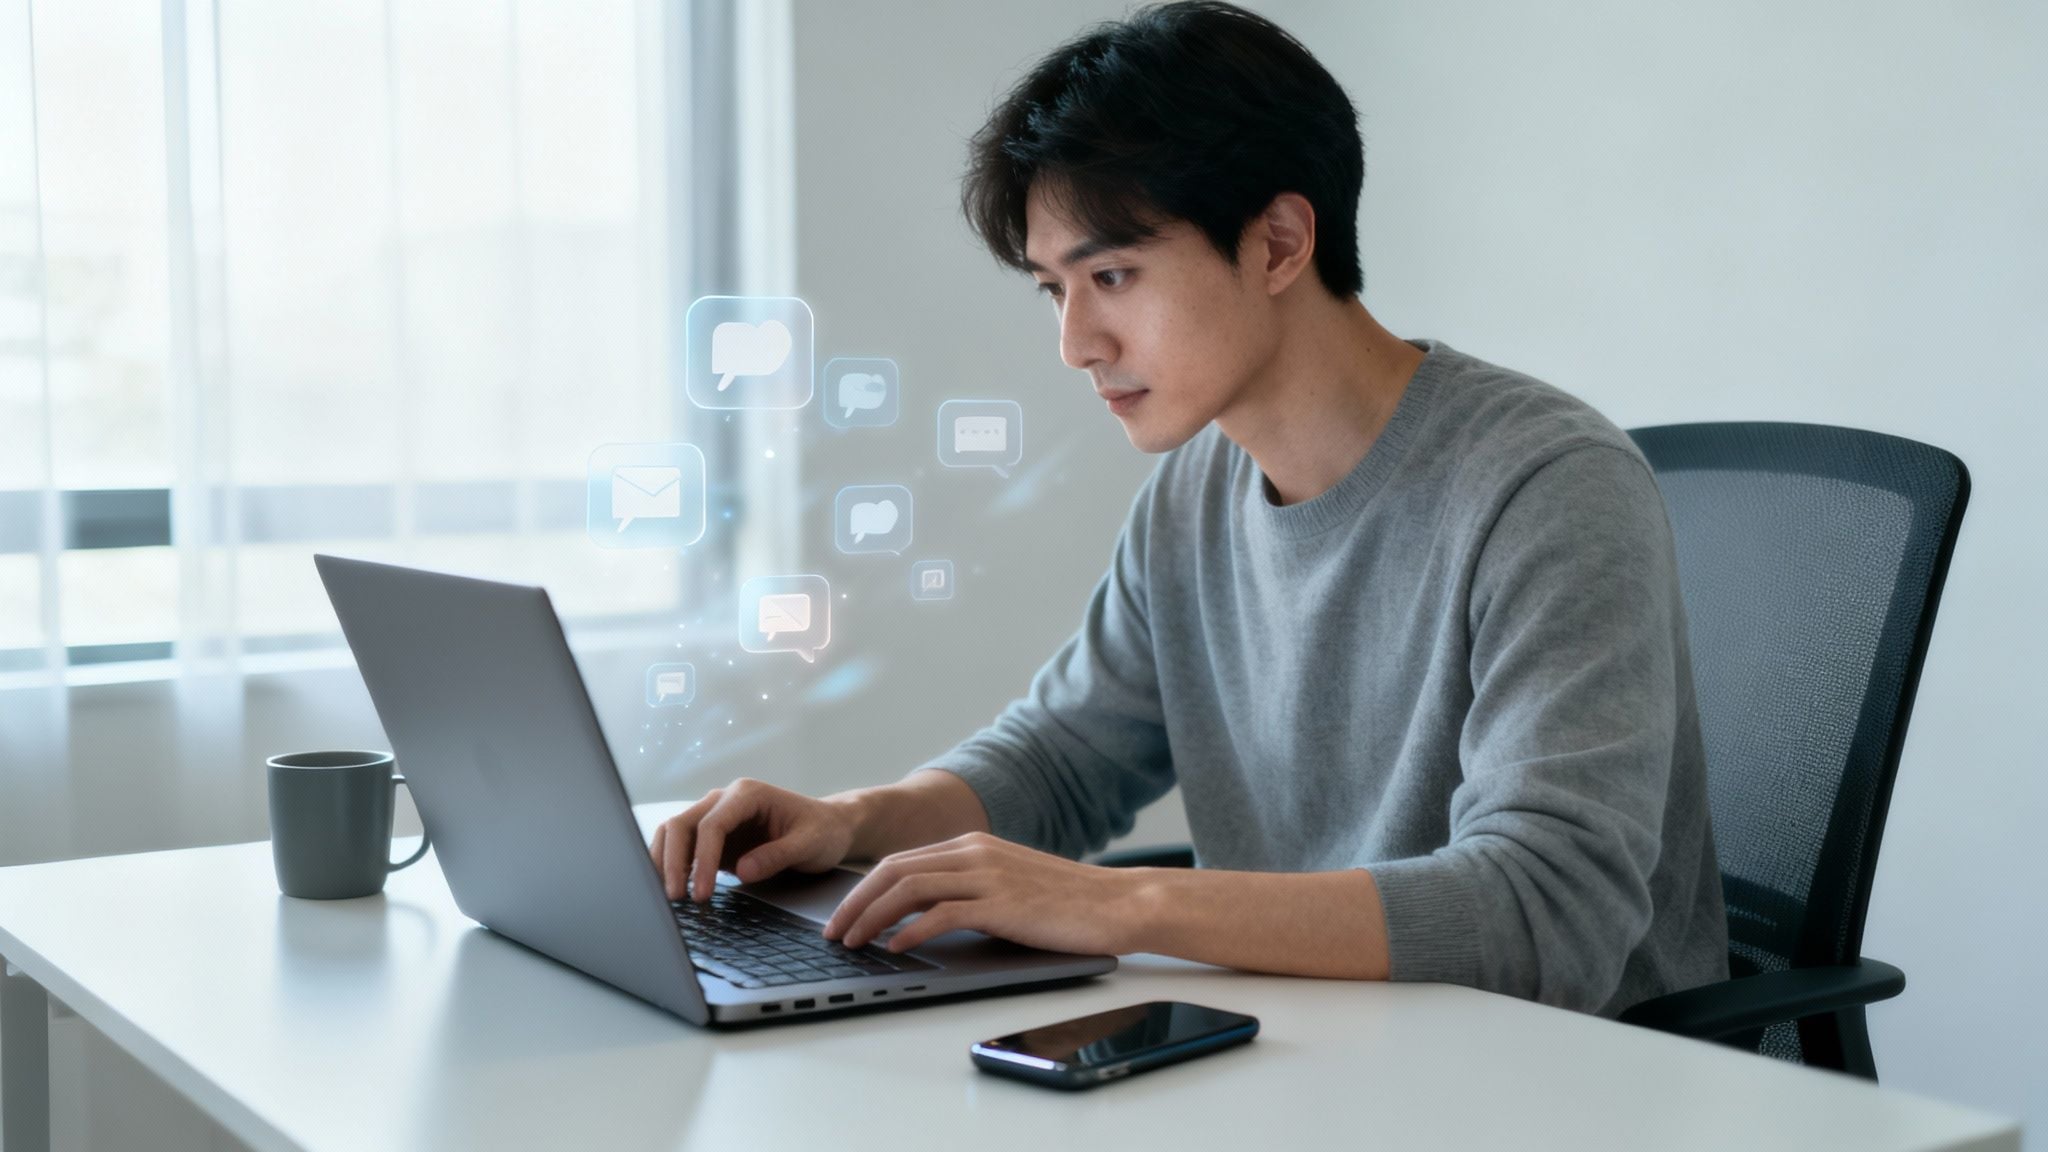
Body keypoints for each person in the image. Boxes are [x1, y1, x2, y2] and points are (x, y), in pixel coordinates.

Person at [650, 0, 1727, 1015]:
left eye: (1112, 276)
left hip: (1549, 1079)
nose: (1075, 344)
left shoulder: (1547, 487)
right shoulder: (1196, 490)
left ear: (1279, 244)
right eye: (1053, 289)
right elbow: (1062, 759)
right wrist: (849, 822)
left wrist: (1122, 905)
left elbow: (1547, 910)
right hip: (1313, 1046)